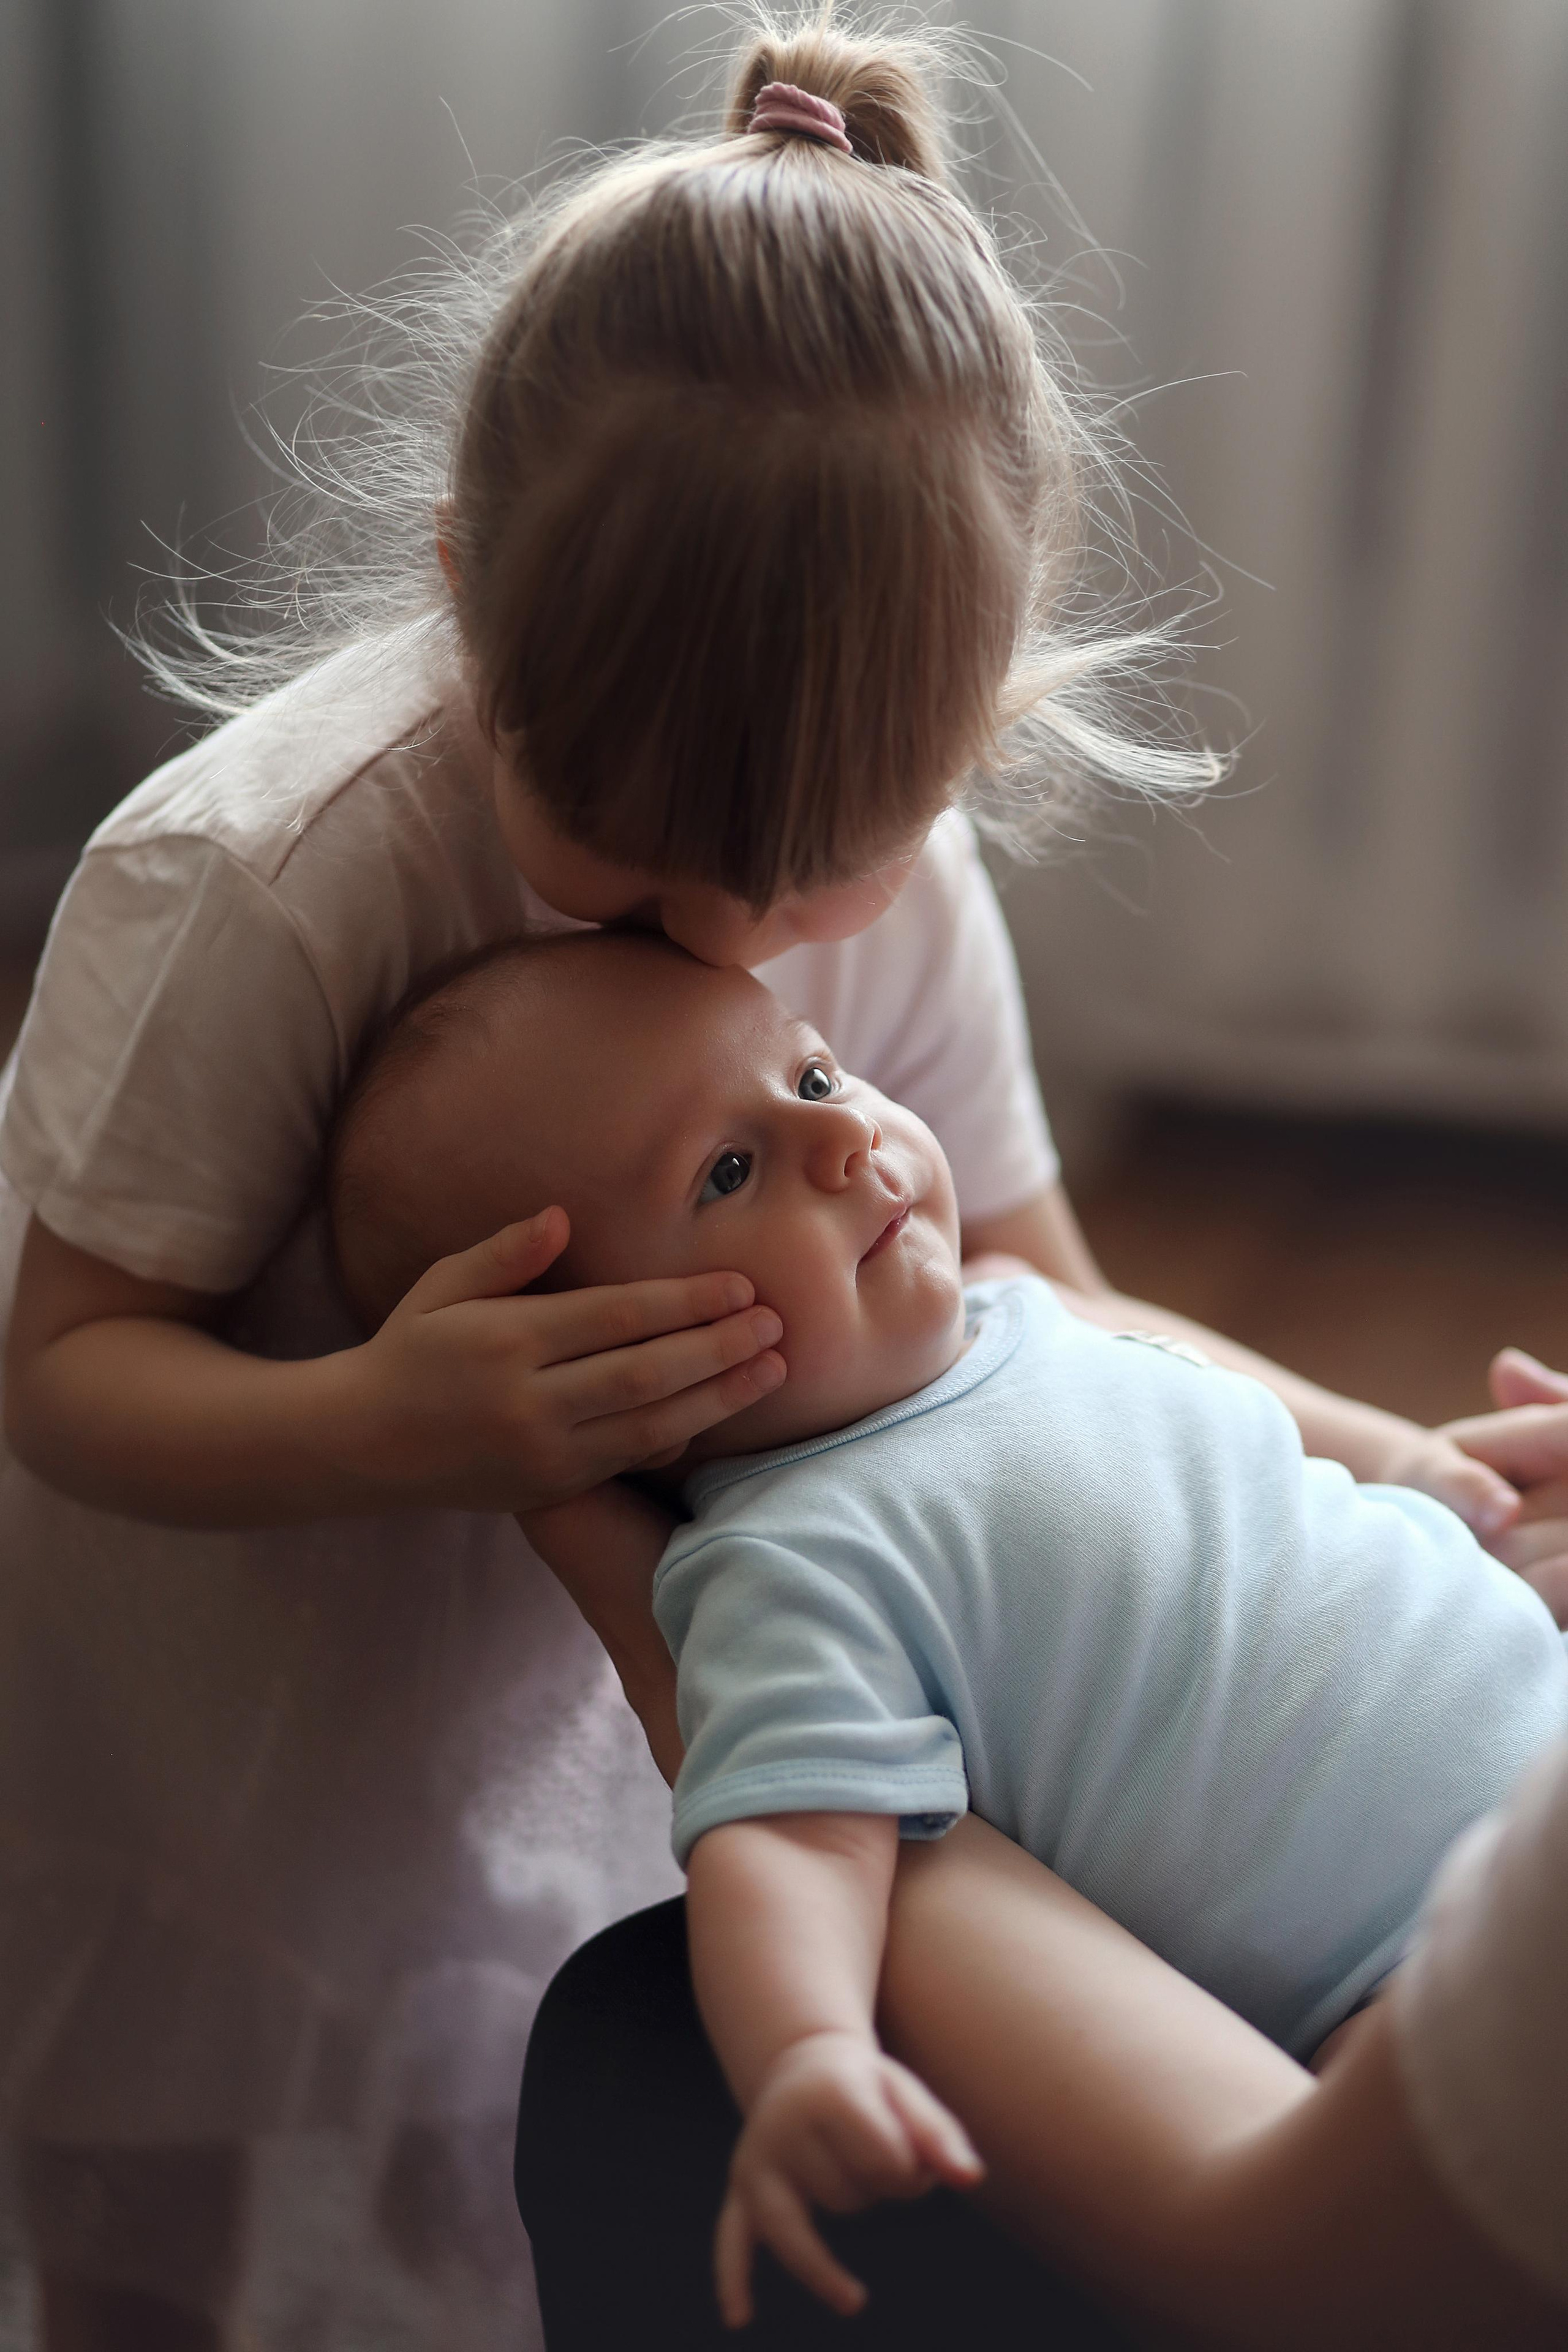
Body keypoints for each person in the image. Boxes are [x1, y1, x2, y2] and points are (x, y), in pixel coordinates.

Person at [2, 12, 1566, 2349]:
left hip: (670, 1661)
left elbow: (1041, 1285)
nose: (733, 945)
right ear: (468, 595)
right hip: (255, 1689)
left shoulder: (897, 846)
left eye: (815, 883)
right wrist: (385, 1430)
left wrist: (1379, 1452)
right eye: (638, 859)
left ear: (968, 719)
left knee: (503, 2113)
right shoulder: (262, 881)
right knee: (205, 2177)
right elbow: (65, 1367)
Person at [326, 925, 1568, 2332]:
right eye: (725, 1173)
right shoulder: (794, 1557)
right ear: (608, 1378)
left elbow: (1223, 1425)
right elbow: (789, 1836)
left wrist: (1419, 1472)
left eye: (811, 1074)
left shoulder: (1019, 1313)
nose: (846, 1138)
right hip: (1396, 1979)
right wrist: (802, 2051)